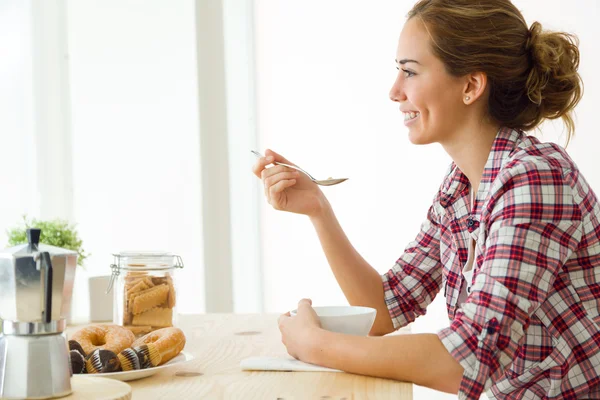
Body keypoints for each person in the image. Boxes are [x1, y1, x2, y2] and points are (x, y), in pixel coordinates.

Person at [251, 0, 600, 398]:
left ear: (470, 86)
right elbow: (385, 307)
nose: (394, 91)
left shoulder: (534, 179)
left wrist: (316, 346)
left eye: (410, 71)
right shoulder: (461, 187)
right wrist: (318, 209)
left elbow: (466, 361)